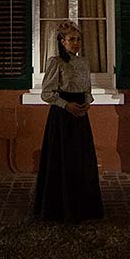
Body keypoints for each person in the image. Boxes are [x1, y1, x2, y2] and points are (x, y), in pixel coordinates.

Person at [33, 21, 105, 222]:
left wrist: (87, 103)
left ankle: (84, 208)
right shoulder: (56, 62)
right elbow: (47, 93)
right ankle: (59, 208)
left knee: (81, 160)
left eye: (78, 39)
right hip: (62, 118)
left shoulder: (83, 62)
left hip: (80, 117)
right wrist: (66, 105)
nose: (75, 43)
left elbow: (87, 90)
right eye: (71, 39)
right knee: (62, 160)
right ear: (62, 42)